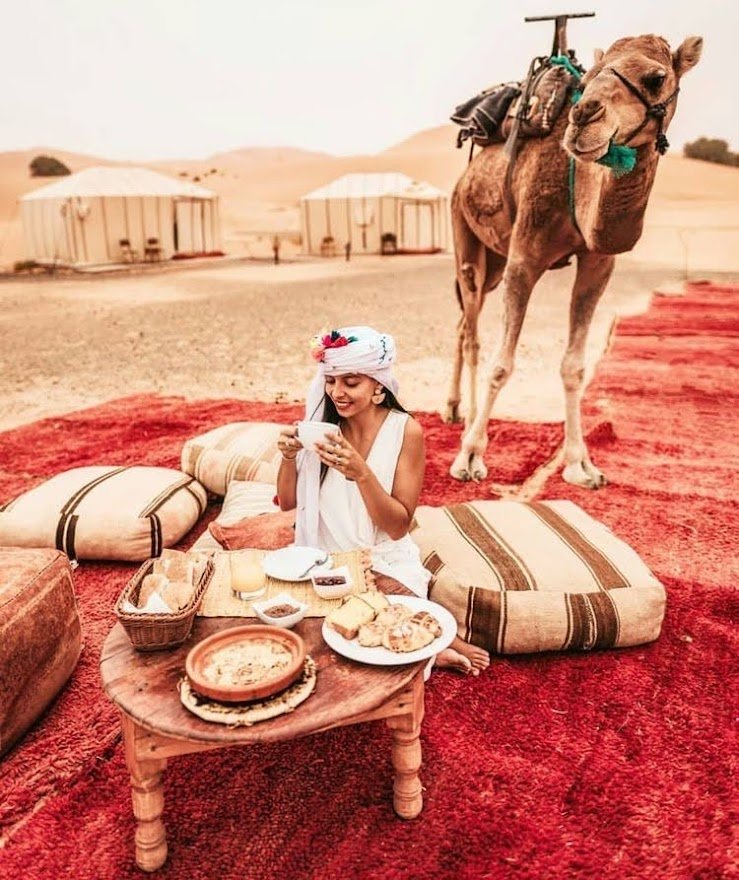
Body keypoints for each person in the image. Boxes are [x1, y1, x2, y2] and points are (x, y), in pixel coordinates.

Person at [276, 325, 489, 675]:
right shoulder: (321, 428)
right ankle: (435, 644)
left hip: (383, 560)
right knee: (314, 632)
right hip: (325, 560)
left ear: (379, 387)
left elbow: (397, 526)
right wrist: (286, 456)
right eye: (331, 380)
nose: (336, 392)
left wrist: (362, 474)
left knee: (382, 632)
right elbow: (286, 503)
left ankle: (435, 646)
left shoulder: (405, 431)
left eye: (351, 382)